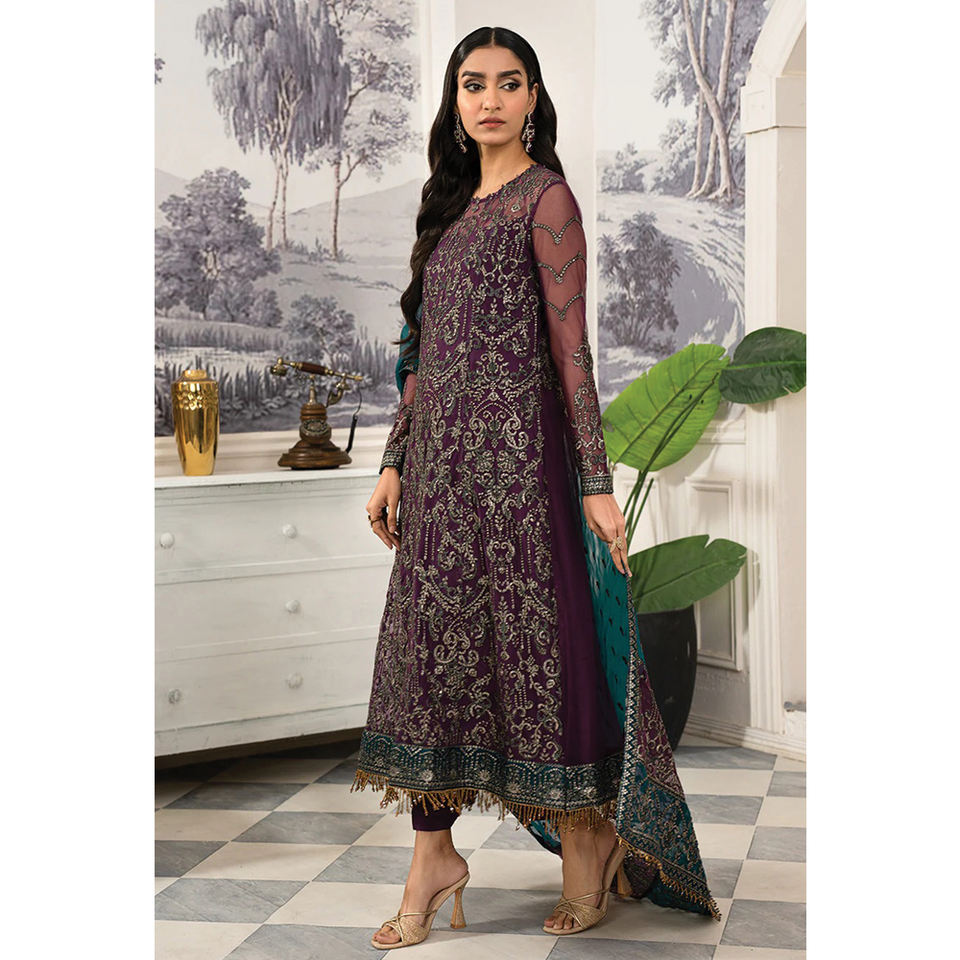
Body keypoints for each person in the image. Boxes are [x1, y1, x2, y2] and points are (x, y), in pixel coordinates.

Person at [355, 26, 720, 949]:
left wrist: (595, 483)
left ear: (532, 99)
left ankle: (588, 843)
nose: (490, 100)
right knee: (431, 663)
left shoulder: (546, 199)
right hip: (441, 481)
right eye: (473, 84)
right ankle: (433, 856)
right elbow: (419, 356)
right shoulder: (445, 209)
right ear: (455, 100)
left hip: (525, 479)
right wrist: (395, 461)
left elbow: (571, 352)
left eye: (509, 84)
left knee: (544, 663)